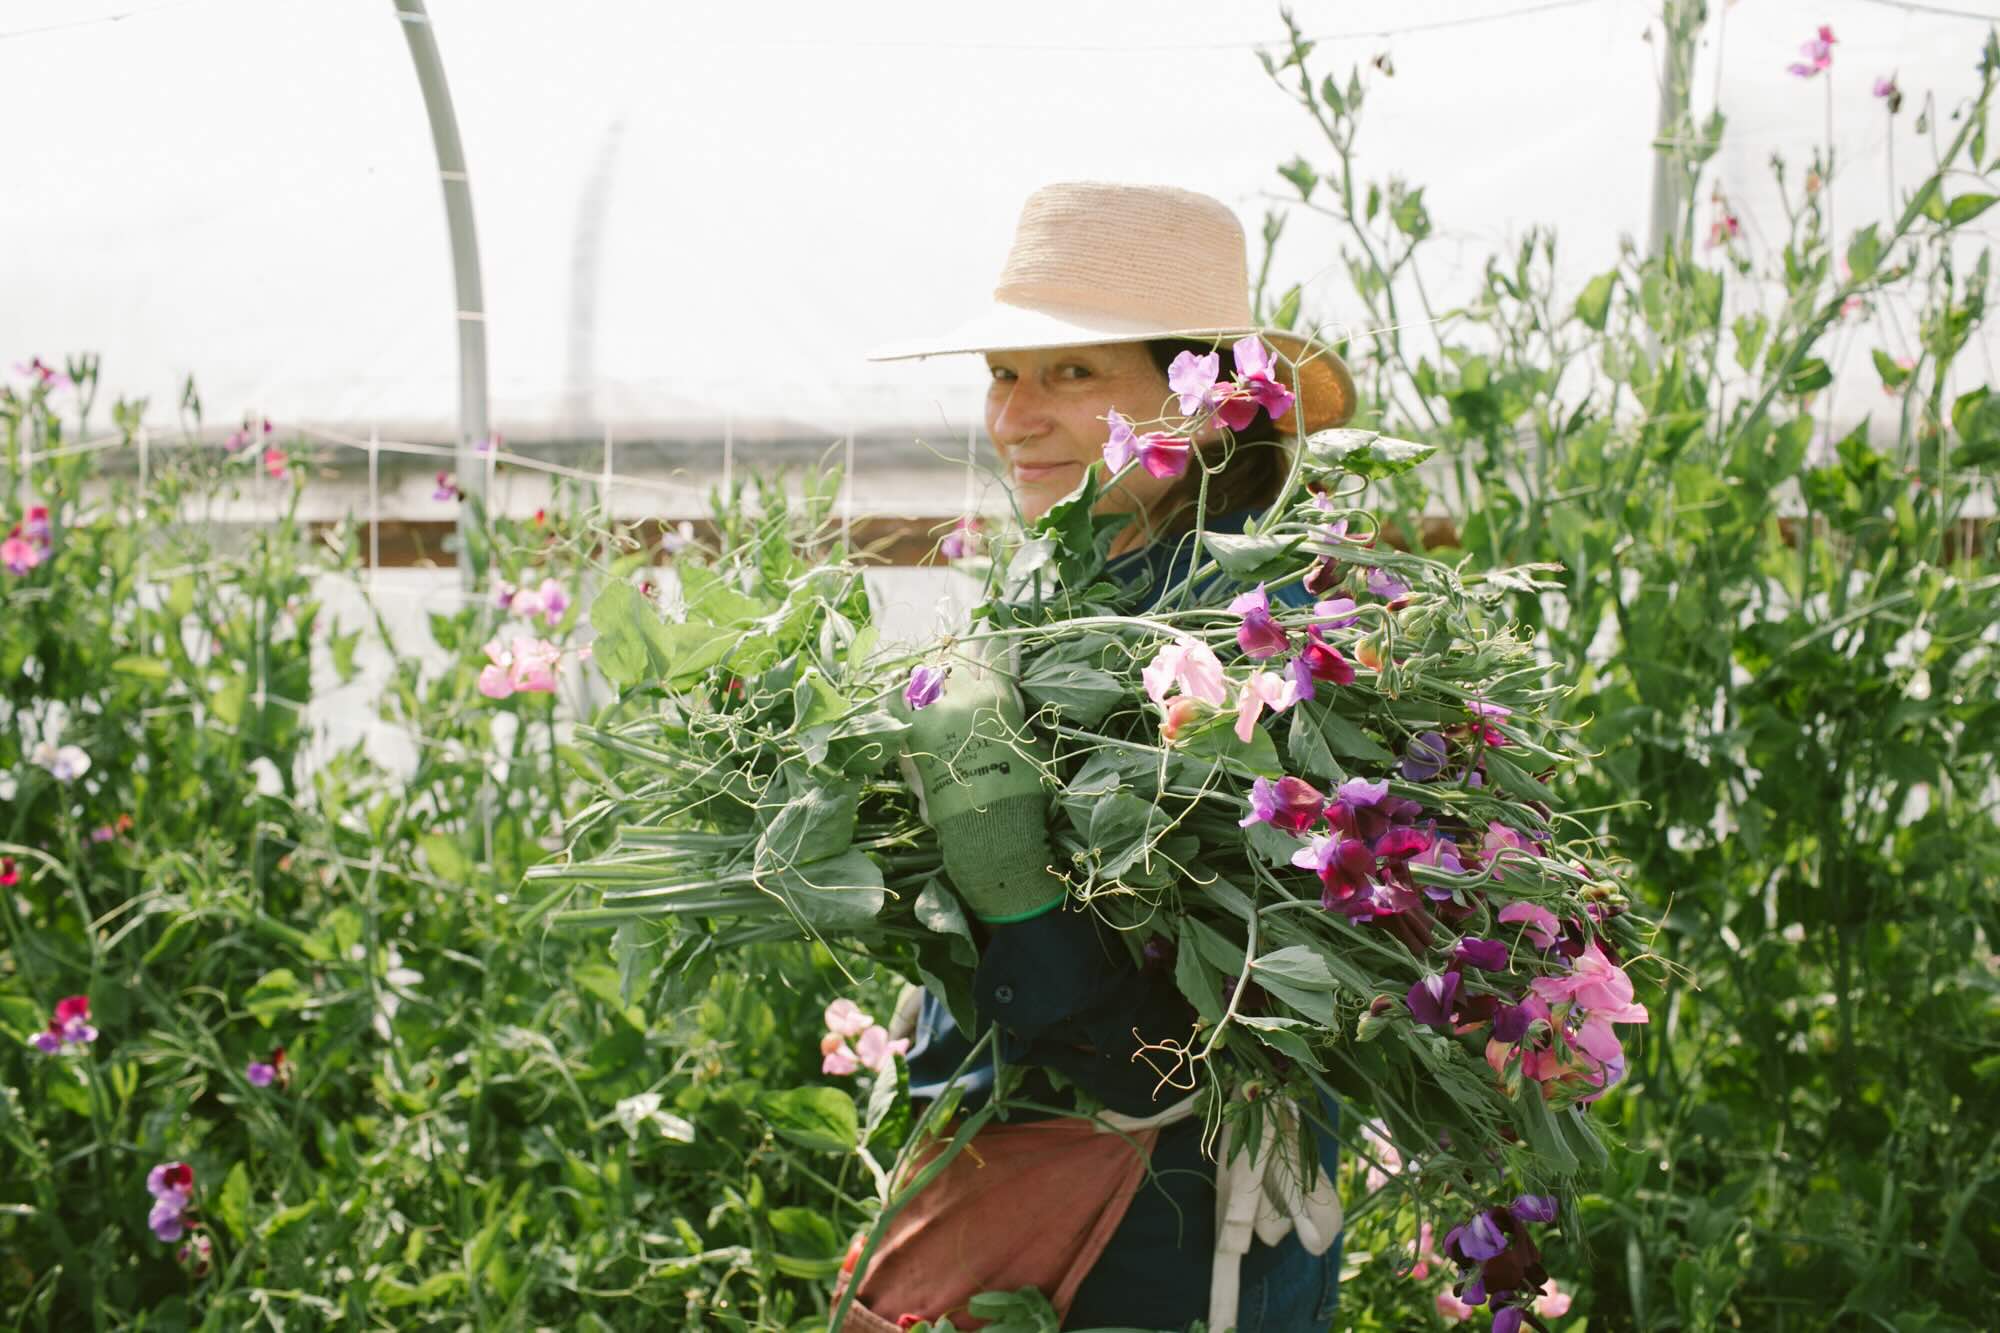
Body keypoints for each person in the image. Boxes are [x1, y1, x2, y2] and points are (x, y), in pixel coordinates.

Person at [851, 181, 1359, 1333]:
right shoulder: (1039, 610)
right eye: (1002, 372)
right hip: (1017, 1200)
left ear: (1212, 410)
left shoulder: (1267, 646)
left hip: (1158, 1240)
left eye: (1072, 374)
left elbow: (1183, 1061)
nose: (1013, 416)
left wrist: (1017, 901)